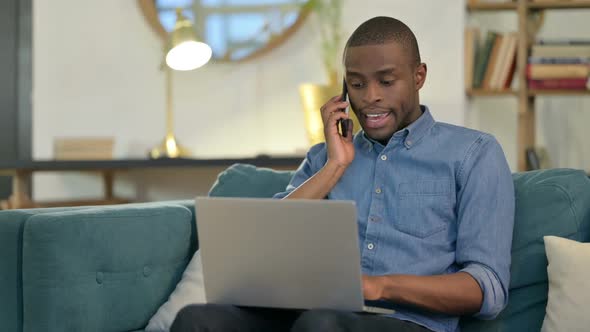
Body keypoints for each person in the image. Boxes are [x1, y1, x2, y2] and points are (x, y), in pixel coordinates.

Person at [171, 16, 515, 332]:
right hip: (307, 315)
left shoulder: (473, 153)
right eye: (357, 84)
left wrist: (374, 286)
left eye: (386, 81)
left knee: (321, 325)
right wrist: (335, 165)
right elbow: (270, 242)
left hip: (405, 322)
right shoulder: (326, 157)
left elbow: (486, 288)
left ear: (418, 76)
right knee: (198, 319)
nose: (370, 98)